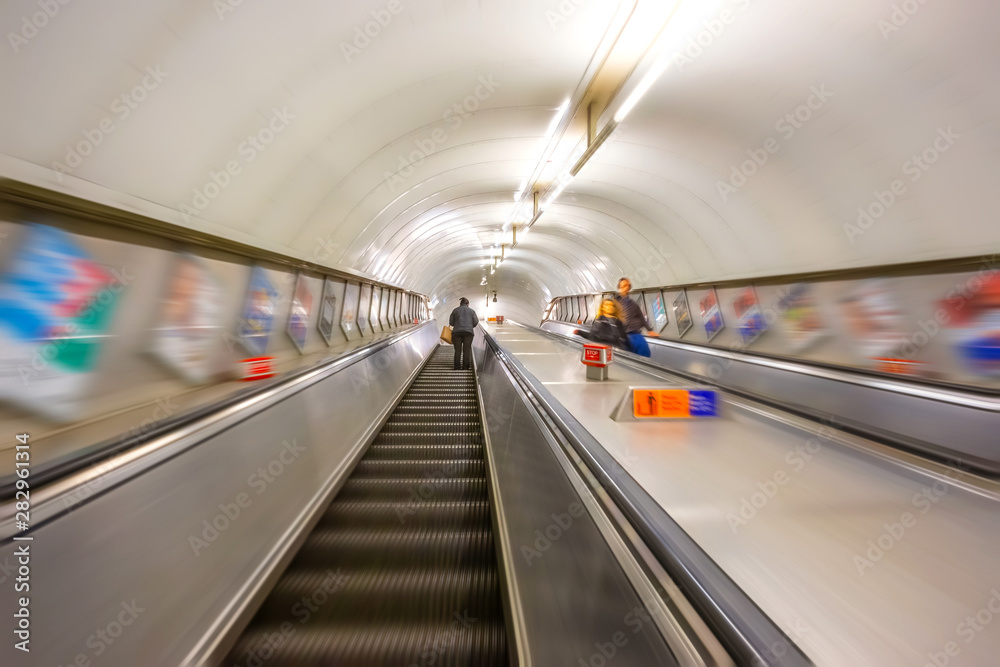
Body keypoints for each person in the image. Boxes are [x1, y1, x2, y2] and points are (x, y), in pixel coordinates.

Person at [614, 277, 658, 357]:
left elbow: (641, 317)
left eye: (627, 286)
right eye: (623, 286)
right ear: (619, 288)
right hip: (621, 335)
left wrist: (649, 330)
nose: (626, 288)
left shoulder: (633, 304)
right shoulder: (615, 302)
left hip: (635, 334)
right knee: (626, 356)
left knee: (645, 352)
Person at [449, 297, 478, 370]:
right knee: (466, 350)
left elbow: (451, 323)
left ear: (460, 303)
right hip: (468, 333)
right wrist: (470, 326)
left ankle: (457, 367)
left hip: (456, 333)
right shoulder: (472, 311)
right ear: (467, 304)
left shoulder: (455, 310)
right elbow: (476, 322)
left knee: (457, 351)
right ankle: (465, 367)